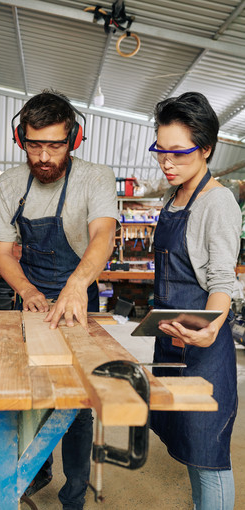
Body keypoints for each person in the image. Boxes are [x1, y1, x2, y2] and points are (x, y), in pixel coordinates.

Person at [0, 89, 119, 510]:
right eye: (34, 145)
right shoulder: (9, 183)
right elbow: (3, 251)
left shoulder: (94, 178)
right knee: (23, 388)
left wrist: (77, 286)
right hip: (30, 292)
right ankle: (31, 472)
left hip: (80, 286)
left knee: (77, 401)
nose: (43, 156)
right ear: (20, 139)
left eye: (54, 145)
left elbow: (103, 235)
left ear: (74, 140)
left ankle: (73, 495)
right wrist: (27, 291)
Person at [148, 92, 241, 510]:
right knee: (187, 445)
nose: (167, 163)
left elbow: (223, 280)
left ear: (205, 148)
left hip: (204, 348)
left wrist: (212, 328)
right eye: (160, 151)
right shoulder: (174, 197)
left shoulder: (216, 201)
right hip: (171, 340)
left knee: (209, 455)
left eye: (178, 153)